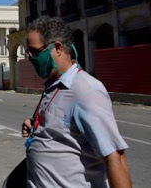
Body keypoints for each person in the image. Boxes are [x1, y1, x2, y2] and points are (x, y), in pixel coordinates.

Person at [21, 16, 131, 187]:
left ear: (57, 48)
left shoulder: (85, 90)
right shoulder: (54, 84)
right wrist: (36, 125)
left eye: (35, 52)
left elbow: (115, 157)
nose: (31, 58)